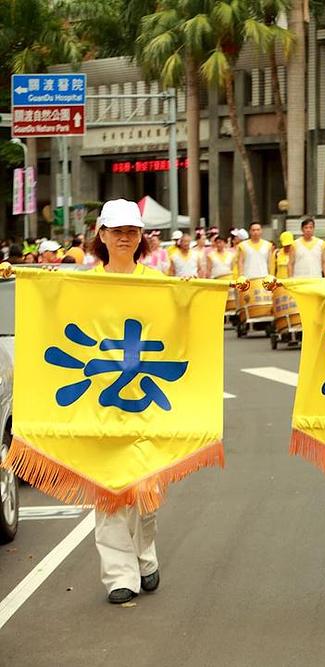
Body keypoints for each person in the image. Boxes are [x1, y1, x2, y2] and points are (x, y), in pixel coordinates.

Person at [89, 199, 163, 604]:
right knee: (109, 492)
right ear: (101, 235)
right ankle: (119, 575)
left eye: (132, 231)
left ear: (140, 238)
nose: (124, 237)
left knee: (146, 494)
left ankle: (145, 556)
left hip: (149, 400)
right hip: (100, 404)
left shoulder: (158, 282)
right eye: (116, 231)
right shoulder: (85, 286)